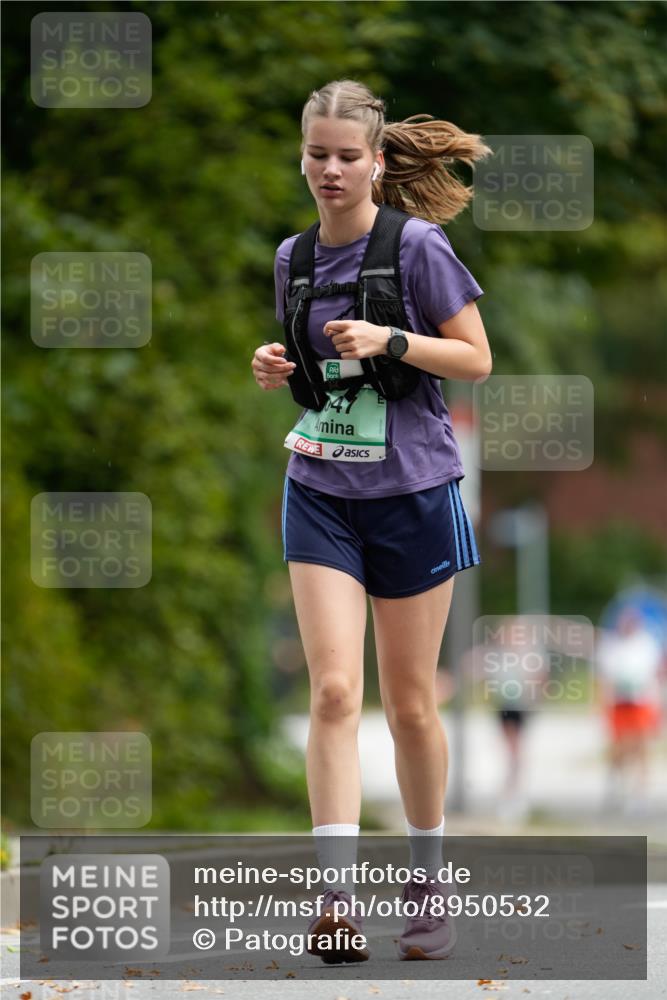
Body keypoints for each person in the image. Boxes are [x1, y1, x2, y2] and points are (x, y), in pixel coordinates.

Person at [252, 79, 492, 963]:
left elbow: (474, 359)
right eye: (317, 154)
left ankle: (427, 885)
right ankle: (334, 897)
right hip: (319, 486)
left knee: (412, 705)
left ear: (376, 161)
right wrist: (277, 364)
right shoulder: (292, 258)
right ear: (304, 156)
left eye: (347, 155)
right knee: (332, 691)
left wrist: (391, 340)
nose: (329, 169)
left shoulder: (418, 247)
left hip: (413, 496)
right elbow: (313, 367)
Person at [596, 608, 664, 814]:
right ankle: (617, 783)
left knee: (642, 747)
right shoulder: (611, 646)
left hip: (642, 702)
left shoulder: (647, 645)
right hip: (618, 702)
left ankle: (640, 792)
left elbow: (656, 674)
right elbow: (604, 677)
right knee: (620, 747)